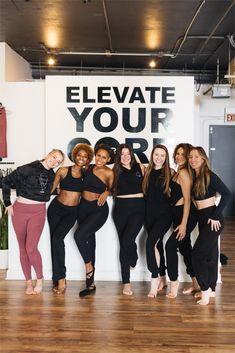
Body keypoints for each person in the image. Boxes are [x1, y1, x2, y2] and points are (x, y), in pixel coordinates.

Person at [2, 149, 64, 295]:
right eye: (54, 157)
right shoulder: (28, 168)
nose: (54, 161)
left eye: (58, 161)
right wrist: (7, 203)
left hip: (37, 212)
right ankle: (28, 282)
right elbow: (6, 181)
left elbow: (45, 192)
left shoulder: (52, 175)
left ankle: (40, 280)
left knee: (31, 248)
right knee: (22, 248)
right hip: (19, 210)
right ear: (49, 154)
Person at [47, 144, 94, 294]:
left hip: (71, 212)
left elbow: (98, 185)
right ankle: (58, 278)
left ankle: (61, 278)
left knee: (57, 239)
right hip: (55, 209)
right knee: (54, 242)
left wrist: (106, 191)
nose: (81, 158)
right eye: (79, 155)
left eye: (85, 157)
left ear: (88, 160)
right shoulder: (62, 170)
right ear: (75, 156)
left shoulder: (87, 175)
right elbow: (51, 188)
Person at [189, 146, 230, 305]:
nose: (193, 160)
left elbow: (227, 194)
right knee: (211, 256)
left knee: (197, 254)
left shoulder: (209, 175)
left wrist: (214, 215)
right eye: (191, 157)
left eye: (196, 157)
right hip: (202, 219)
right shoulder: (195, 176)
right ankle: (211, 290)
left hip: (213, 220)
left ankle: (204, 289)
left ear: (203, 159)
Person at [74, 144, 114, 297]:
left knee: (78, 236)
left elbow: (115, 188)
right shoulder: (88, 168)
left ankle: (88, 267)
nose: (100, 159)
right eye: (98, 155)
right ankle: (90, 285)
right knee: (90, 242)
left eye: (104, 157)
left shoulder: (109, 173)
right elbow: (75, 176)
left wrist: (107, 191)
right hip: (83, 208)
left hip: (98, 210)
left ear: (108, 159)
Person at [165, 143, 199, 299]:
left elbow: (187, 200)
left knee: (170, 246)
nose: (178, 156)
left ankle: (174, 283)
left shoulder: (184, 173)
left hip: (186, 215)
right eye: (177, 153)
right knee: (185, 249)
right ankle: (196, 283)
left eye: (182, 154)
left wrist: (184, 224)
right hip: (177, 215)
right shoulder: (177, 172)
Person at [112, 144, 145, 296]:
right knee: (123, 243)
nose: (125, 156)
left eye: (128, 153)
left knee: (127, 241)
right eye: (122, 154)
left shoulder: (140, 168)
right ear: (118, 156)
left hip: (138, 209)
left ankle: (134, 256)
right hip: (120, 210)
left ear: (132, 155)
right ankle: (126, 283)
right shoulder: (114, 171)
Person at [143, 144, 172, 298]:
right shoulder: (146, 171)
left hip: (164, 215)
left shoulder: (170, 173)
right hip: (149, 215)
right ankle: (163, 278)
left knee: (150, 243)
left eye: (162, 155)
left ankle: (154, 279)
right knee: (157, 246)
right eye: (156, 154)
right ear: (152, 155)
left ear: (166, 158)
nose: (159, 157)